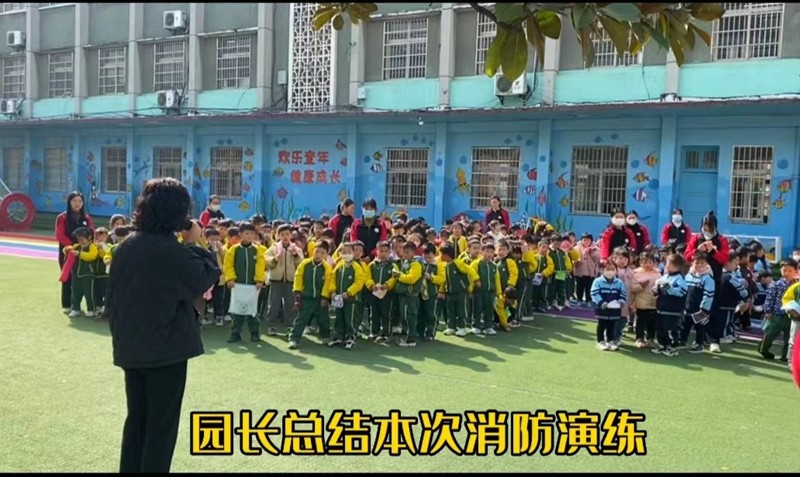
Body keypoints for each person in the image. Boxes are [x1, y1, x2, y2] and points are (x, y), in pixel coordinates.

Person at [107, 177, 221, 473]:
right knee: (160, 430)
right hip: (165, 352)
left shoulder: (126, 247)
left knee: (137, 423)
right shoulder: (170, 249)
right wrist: (195, 242)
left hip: (131, 348)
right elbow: (206, 275)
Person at [224, 223, 267, 343]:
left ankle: (254, 333)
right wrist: (230, 278)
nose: (249, 236)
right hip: (238, 285)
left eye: (252, 233)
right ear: (240, 234)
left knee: (252, 310)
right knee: (238, 310)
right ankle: (235, 334)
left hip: (253, 286)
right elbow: (228, 265)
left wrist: (259, 280)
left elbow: (260, 266)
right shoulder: (234, 250)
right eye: (246, 233)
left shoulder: (257, 250)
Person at [55, 191, 95, 314]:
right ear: (69, 202)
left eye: (80, 201)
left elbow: (91, 232)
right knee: (67, 277)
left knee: (82, 277)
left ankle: (79, 305)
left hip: (84, 252)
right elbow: (60, 235)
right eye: (74, 201)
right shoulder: (62, 217)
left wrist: (85, 245)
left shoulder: (86, 218)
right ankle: (67, 305)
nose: (77, 203)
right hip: (68, 252)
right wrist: (72, 247)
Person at [264, 224, 303, 336]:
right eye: (282, 234)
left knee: (290, 304)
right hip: (276, 280)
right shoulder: (273, 248)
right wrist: (275, 258)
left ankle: (290, 325)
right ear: (277, 235)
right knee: (274, 304)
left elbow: (301, 264)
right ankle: (272, 325)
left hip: (290, 281)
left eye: (287, 234)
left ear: (291, 235)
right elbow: (266, 261)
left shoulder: (296, 249)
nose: (285, 236)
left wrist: (295, 255)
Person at [760, 259, 798, 361]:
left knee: (789, 336)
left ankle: (786, 355)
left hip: (792, 314)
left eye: (790, 271)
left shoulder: (797, 285)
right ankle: (764, 349)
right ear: (780, 270)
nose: (787, 273)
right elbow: (770, 298)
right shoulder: (776, 284)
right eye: (784, 270)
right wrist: (768, 310)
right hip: (777, 313)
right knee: (771, 333)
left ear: (796, 271)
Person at [652, 254, 689, 357]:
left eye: (669, 263)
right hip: (661, 308)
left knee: (670, 329)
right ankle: (662, 344)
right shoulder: (665, 276)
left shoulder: (680, 279)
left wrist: (669, 287)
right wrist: (655, 289)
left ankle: (672, 347)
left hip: (672, 310)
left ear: (676, 266)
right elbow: (658, 289)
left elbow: (681, 292)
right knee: (660, 328)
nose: (666, 265)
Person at [591, 261, 628, 351]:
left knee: (612, 325)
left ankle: (610, 341)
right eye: (607, 269)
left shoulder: (619, 282)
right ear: (602, 270)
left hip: (614, 309)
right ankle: (600, 341)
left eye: (613, 269)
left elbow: (623, 293)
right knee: (601, 325)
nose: (610, 272)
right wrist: (602, 303)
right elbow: (594, 293)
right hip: (602, 308)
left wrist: (621, 302)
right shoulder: (598, 281)